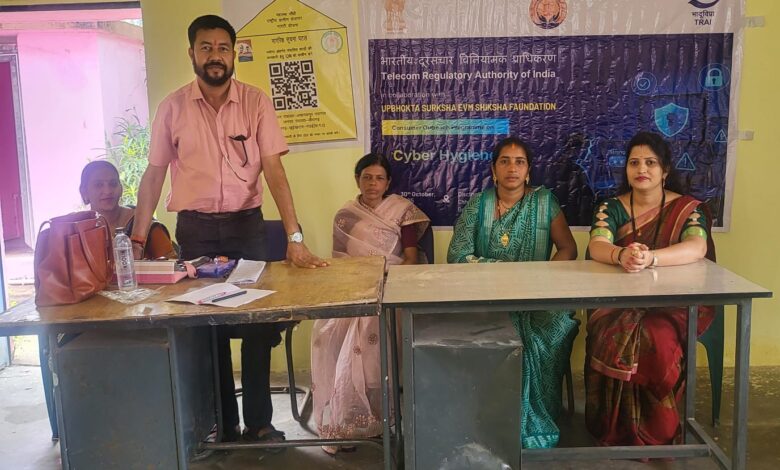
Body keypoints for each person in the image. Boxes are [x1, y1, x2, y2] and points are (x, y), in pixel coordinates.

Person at [130, 14, 327, 445]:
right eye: (206, 47)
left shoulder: (256, 102)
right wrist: (139, 241)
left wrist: (294, 238)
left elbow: (274, 171)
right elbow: (155, 174)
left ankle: (260, 423)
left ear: (233, 54)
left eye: (222, 47)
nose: (215, 55)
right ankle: (223, 424)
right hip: (196, 231)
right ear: (192, 53)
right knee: (208, 327)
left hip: (246, 228)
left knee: (258, 325)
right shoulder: (172, 108)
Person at [447, 136, 579, 449]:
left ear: (528, 171)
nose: (512, 168)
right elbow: (457, 255)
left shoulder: (544, 203)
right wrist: (501, 272)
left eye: (520, 162)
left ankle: (538, 413)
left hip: (536, 298)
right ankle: (491, 417)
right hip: (487, 300)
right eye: (504, 161)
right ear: (493, 170)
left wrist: (540, 278)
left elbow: (568, 249)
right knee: (489, 333)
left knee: (553, 329)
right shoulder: (478, 205)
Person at [585, 131, 714, 447]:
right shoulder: (610, 207)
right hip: (619, 299)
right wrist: (621, 255)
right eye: (634, 163)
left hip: (673, 302)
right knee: (607, 330)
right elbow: (597, 244)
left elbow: (697, 246)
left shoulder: (689, 209)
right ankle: (616, 428)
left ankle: (657, 430)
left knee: (656, 336)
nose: (641, 169)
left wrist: (650, 258)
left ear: (665, 170)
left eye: (650, 162)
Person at [310, 153, 430, 455]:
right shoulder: (345, 216)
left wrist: (384, 285)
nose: (373, 184)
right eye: (367, 177)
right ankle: (348, 421)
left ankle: (379, 418)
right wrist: (356, 287)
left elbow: (411, 259)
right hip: (353, 289)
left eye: (379, 178)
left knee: (369, 333)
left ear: (387, 183)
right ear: (357, 180)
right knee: (327, 331)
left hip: (390, 289)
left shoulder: (402, 211)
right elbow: (340, 263)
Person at [79, 160, 176, 259]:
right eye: (98, 185)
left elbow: (173, 265)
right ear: (84, 192)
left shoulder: (148, 226)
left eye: (113, 184)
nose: (107, 191)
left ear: (121, 189)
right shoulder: (78, 231)